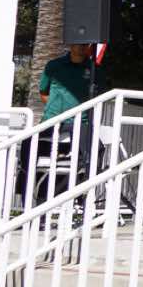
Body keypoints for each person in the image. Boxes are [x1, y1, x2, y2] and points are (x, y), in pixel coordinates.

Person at [20, 42, 98, 205]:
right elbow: (44, 92)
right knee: (27, 147)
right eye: (78, 43)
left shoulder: (94, 69)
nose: (81, 47)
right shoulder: (54, 65)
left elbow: (98, 96)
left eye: (85, 44)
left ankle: (80, 199)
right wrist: (57, 108)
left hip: (80, 123)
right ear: (71, 44)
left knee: (95, 153)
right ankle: (27, 202)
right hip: (52, 121)